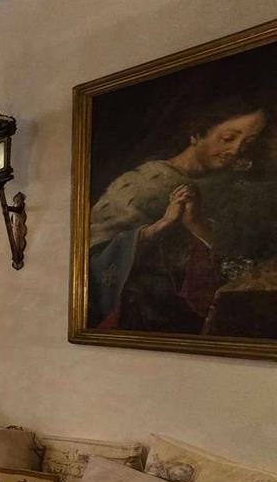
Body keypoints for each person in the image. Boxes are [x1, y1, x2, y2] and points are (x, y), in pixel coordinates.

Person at [87, 97, 269, 333]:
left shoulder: (233, 187)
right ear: (196, 135)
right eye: (227, 138)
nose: (235, 150)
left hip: (207, 313)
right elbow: (92, 256)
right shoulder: (143, 184)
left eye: (248, 143)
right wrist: (161, 225)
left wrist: (197, 226)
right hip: (146, 317)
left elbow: (234, 259)